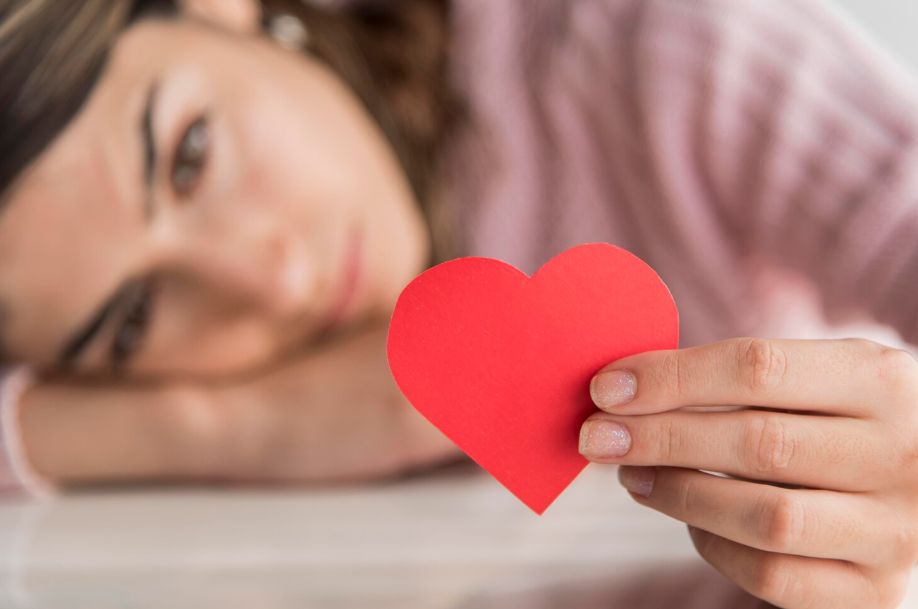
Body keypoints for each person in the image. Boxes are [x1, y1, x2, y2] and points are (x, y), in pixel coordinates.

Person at [1, 0, 918, 607]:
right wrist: (234, 424)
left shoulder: (654, 48)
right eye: (133, 319)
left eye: (190, 156)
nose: (271, 280)